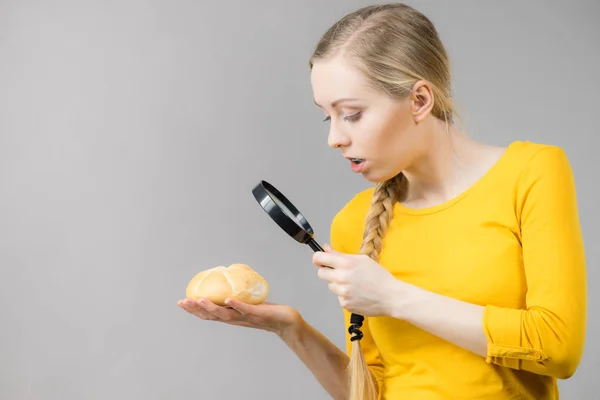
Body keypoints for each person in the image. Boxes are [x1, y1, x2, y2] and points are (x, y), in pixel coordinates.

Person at [178, 3, 587, 399]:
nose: (334, 138)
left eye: (351, 114)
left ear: (419, 100)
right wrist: (291, 329)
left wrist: (394, 298)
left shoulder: (531, 172)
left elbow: (557, 347)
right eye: (328, 116)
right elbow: (368, 391)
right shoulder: (354, 222)